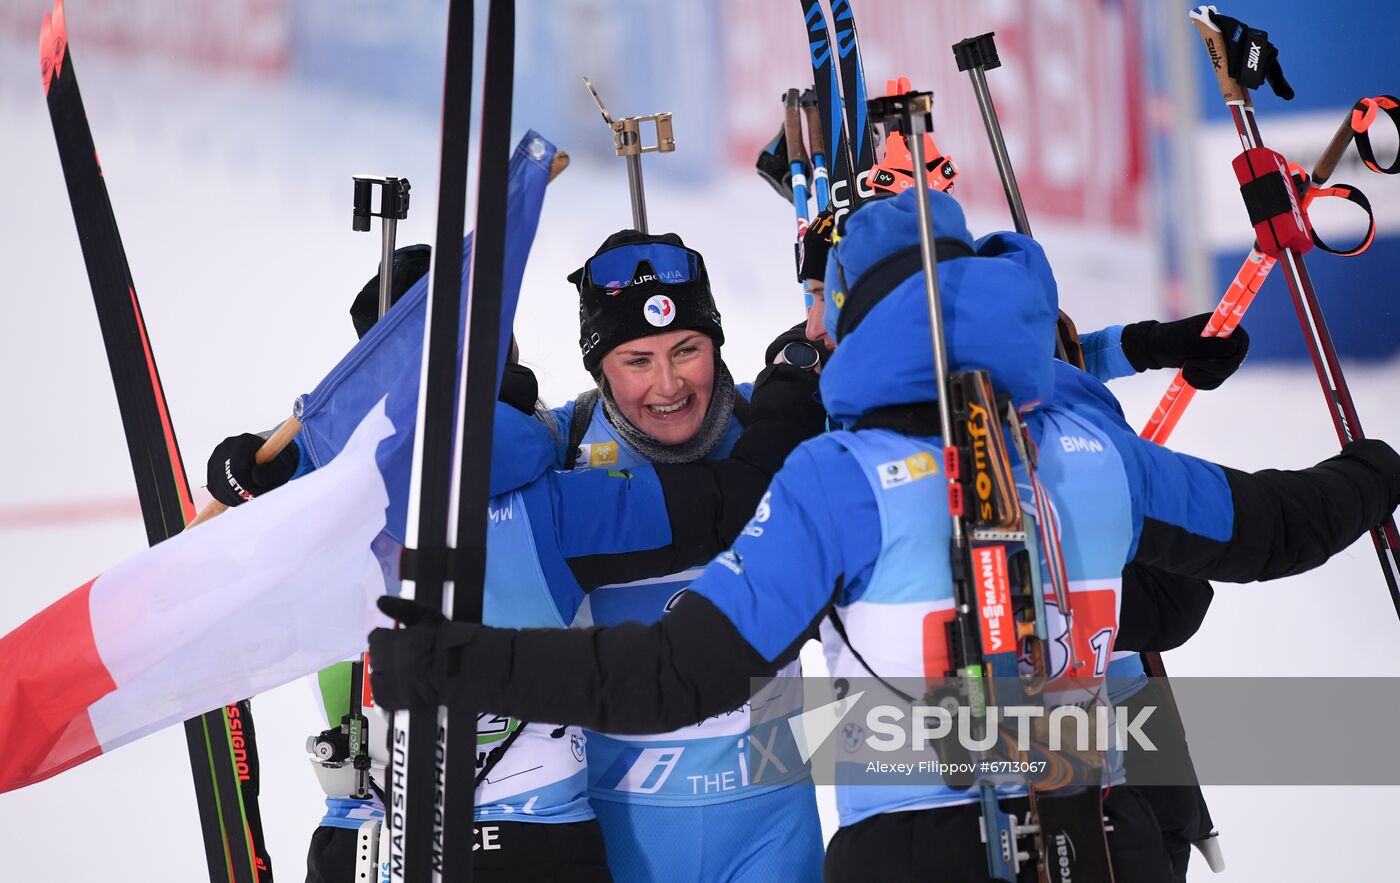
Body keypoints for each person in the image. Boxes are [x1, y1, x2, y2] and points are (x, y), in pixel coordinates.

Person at [366, 187, 1400, 881]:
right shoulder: (1090, 445)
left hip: (913, 850)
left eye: (825, 311)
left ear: (856, 320)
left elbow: (672, 674)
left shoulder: (834, 477)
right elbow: (1274, 529)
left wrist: (455, 665)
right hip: (1099, 832)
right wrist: (1377, 470)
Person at [208, 231, 829, 881]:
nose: (667, 383)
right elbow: (440, 449)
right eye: (636, 360)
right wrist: (280, 457)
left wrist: (912, 777)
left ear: (715, 345)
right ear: (599, 367)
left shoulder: (782, 417)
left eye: (687, 350)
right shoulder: (560, 447)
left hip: (771, 816)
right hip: (628, 828)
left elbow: (881, 618)